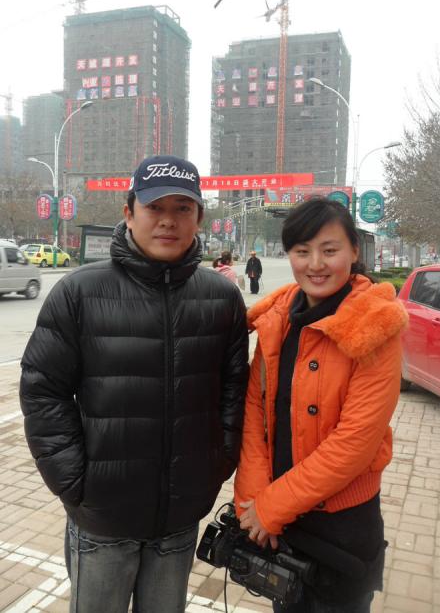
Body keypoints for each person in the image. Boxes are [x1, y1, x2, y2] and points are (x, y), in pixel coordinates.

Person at [20, 155, 249, 613]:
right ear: (129, 213)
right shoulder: (80, 291)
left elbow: (233, 389)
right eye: (154, 207)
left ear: (199, 217)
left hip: (181, 515)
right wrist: (75, 482)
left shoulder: (221, 297)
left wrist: (217, 464)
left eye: (182, 208)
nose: (168, 220)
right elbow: (43, 390)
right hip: (102, 518)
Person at [234, 198, 407, 612]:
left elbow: (355, 443)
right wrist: (253, 499)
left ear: (354, 251)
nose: (316, 264)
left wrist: (270, 507)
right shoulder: (278, 317)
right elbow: (255, 412)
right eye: (302, 251)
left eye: (329, 250)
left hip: (340, 526)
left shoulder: (376, 324)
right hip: (278, 518)